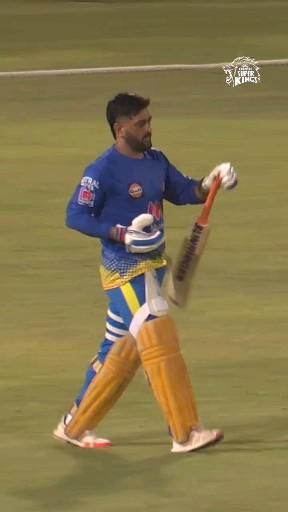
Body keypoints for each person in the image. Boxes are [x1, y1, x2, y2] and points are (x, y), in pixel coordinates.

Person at [53, 92, 237, 453]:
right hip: (124, 271)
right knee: (159, 336)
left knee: (119, 352)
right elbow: (75, 215)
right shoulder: (101, 171)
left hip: (155, 268)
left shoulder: (155, 160)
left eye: (150, 120)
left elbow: (184, 191)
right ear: (121, 130)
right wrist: (119, 233)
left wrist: (210, 181)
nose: (149, 128)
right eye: (141, 123)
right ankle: (185, 432)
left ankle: (73, 427)